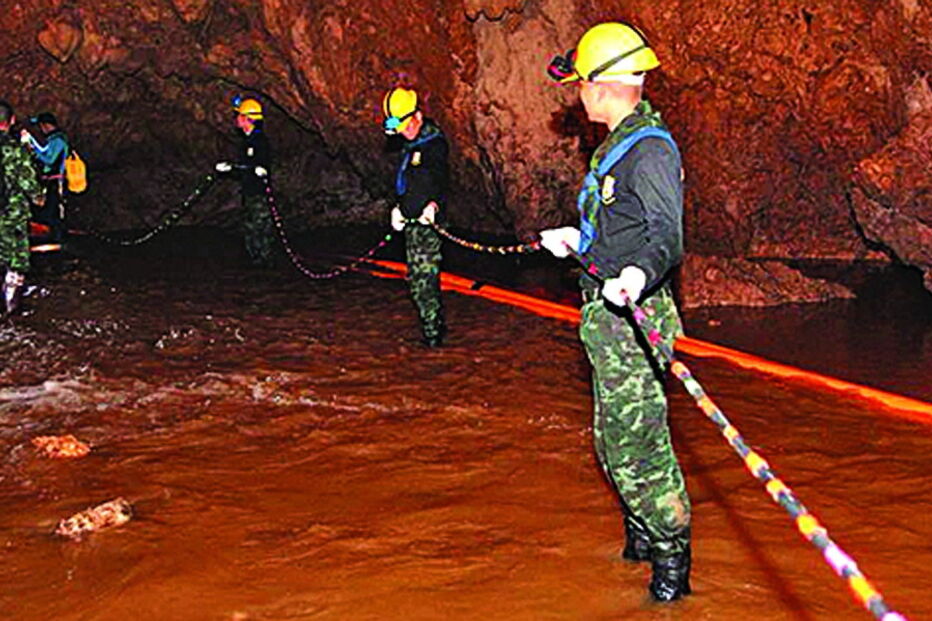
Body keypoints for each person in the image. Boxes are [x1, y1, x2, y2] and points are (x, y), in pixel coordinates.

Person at [540, 22, 692, 602]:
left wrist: (635, 274)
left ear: (603, 86)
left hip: (637, 320)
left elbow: (664, 236)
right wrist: (579, 242)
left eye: (581, 82)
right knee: (610, 441)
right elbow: (619, 225)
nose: (577, 94)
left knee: (641, 448)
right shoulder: (618, 145)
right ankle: (641, 539)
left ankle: (672, 568)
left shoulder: (649, 150)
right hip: (608, 321)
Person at [382, 87, 448, 347]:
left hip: (428, 225)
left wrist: (434, 206)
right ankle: (433, 329)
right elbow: (408, 182)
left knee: (424, 282)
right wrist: (398, 207)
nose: (402, 133)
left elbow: (441, 180)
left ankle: (434, 339)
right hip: (411, 223)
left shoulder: (434, 145)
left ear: (418, 116)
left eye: (405, 126)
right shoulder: (410, 146)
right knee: (417, 282)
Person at [216, 95, 275, 267]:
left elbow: (259, 166)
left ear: (247, 119)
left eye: (239, 116)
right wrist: (231, 169)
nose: (236, 119)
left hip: (259, 192)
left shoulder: (259, 141)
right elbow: (246, 168)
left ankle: (265, 262)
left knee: (260, 227)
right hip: (250, 191)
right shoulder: (247, 141)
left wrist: (237, 169)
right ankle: (255, 261)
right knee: (250, 227)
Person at [0, 100, 43, 315]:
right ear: (12, 121)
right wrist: (39, 197)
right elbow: (29, 184)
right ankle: (11, 312)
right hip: (12, 215)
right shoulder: (16, 150)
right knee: (15, 262)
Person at [21, 112, 69, 242]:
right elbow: (44, 151)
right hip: (51, 181)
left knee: (55, 212)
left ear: (46, 125)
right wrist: (31, 141)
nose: (40, 130)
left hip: (57, 181)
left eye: (40, 126)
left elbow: (49, 159)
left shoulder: (58, 140)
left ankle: (59, 240)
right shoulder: (53, 139)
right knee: (50, 211)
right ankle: (54, 237)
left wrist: (32, 148)